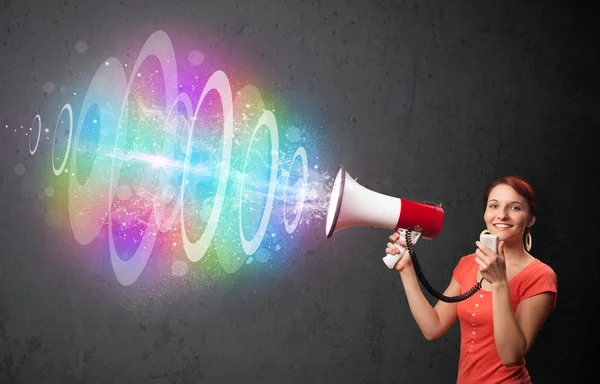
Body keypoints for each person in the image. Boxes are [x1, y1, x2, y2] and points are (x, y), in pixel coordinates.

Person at [385, 174, 557, 384]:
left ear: (530, 218)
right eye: (493, 206)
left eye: (515, 208)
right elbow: (433, 327)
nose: (501, 215)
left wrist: (500, 283)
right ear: (485, 213)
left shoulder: (540, 276)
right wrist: (406, 269)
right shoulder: (467, 264)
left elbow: (511, 356)